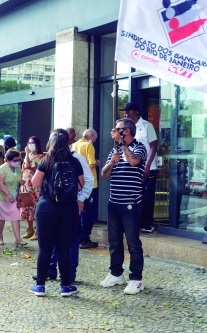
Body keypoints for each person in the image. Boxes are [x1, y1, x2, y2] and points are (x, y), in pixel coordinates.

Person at [30, 129, 84, 298]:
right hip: (68, 208)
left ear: (51, 144)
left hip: (47, 207)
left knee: (45, 248)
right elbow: (80, 185)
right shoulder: (75, 161)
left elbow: (35, 183)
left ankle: (40, 286)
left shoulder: (47, 160)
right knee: (64, 248)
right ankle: (65, 286)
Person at [100, 118, 148, 295]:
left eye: (117, 128)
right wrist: (111, 162)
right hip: (114, 203)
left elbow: (134, 162)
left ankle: (136, 279)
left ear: (126, 131)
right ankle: (116, 273)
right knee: (114, 241)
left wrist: (122, 146)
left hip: (131, 204)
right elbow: (104, 174)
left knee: (133, 242)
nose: (114, 130)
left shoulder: (139, 147)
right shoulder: (115, 150)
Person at [120, 102, 158, 233]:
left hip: (148, 168)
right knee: (136, 196)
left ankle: (147, 224)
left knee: (147, 196)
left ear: (135, 113)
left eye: (127, 112)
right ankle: (137, 222)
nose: (125, 114)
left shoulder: (147, 126)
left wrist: (147, 166)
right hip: (133, 167)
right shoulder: (127, 129)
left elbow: (153, 147)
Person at [71, 129, 100, 249]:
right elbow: (91, 164)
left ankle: (77, 236)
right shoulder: (89, 145)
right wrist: (98, 162)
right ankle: (84, 238)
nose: (95, 141)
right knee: (89, 212)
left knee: (78, 210)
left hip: (78, 182)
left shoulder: (73, 145)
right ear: (91, 136)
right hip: (90, 183)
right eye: (95, 138)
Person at [0, 149, 27, 247]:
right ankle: (0, 236)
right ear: (7, 160)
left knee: (16, 216)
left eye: (18, 160)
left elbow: (17, 177)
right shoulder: (2, 169)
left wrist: (20, 182)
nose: (17, 162)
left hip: (13, 197)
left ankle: (18, 238)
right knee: (1, 218)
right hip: (2, 197)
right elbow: (0, 184)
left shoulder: (17, 168)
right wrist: (8, 195)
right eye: (15, 160)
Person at [21, 136, 45, 240]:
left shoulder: (41, 157)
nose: (30, 145)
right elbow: (24, 167)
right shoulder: (28, 155)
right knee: (27, 206)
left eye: (33, 143)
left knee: (36, 206)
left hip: (35, 185)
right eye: (29, 143)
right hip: (26, 184)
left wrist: (27, 154)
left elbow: (28, 166)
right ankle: (30, 228)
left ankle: (38, 230)